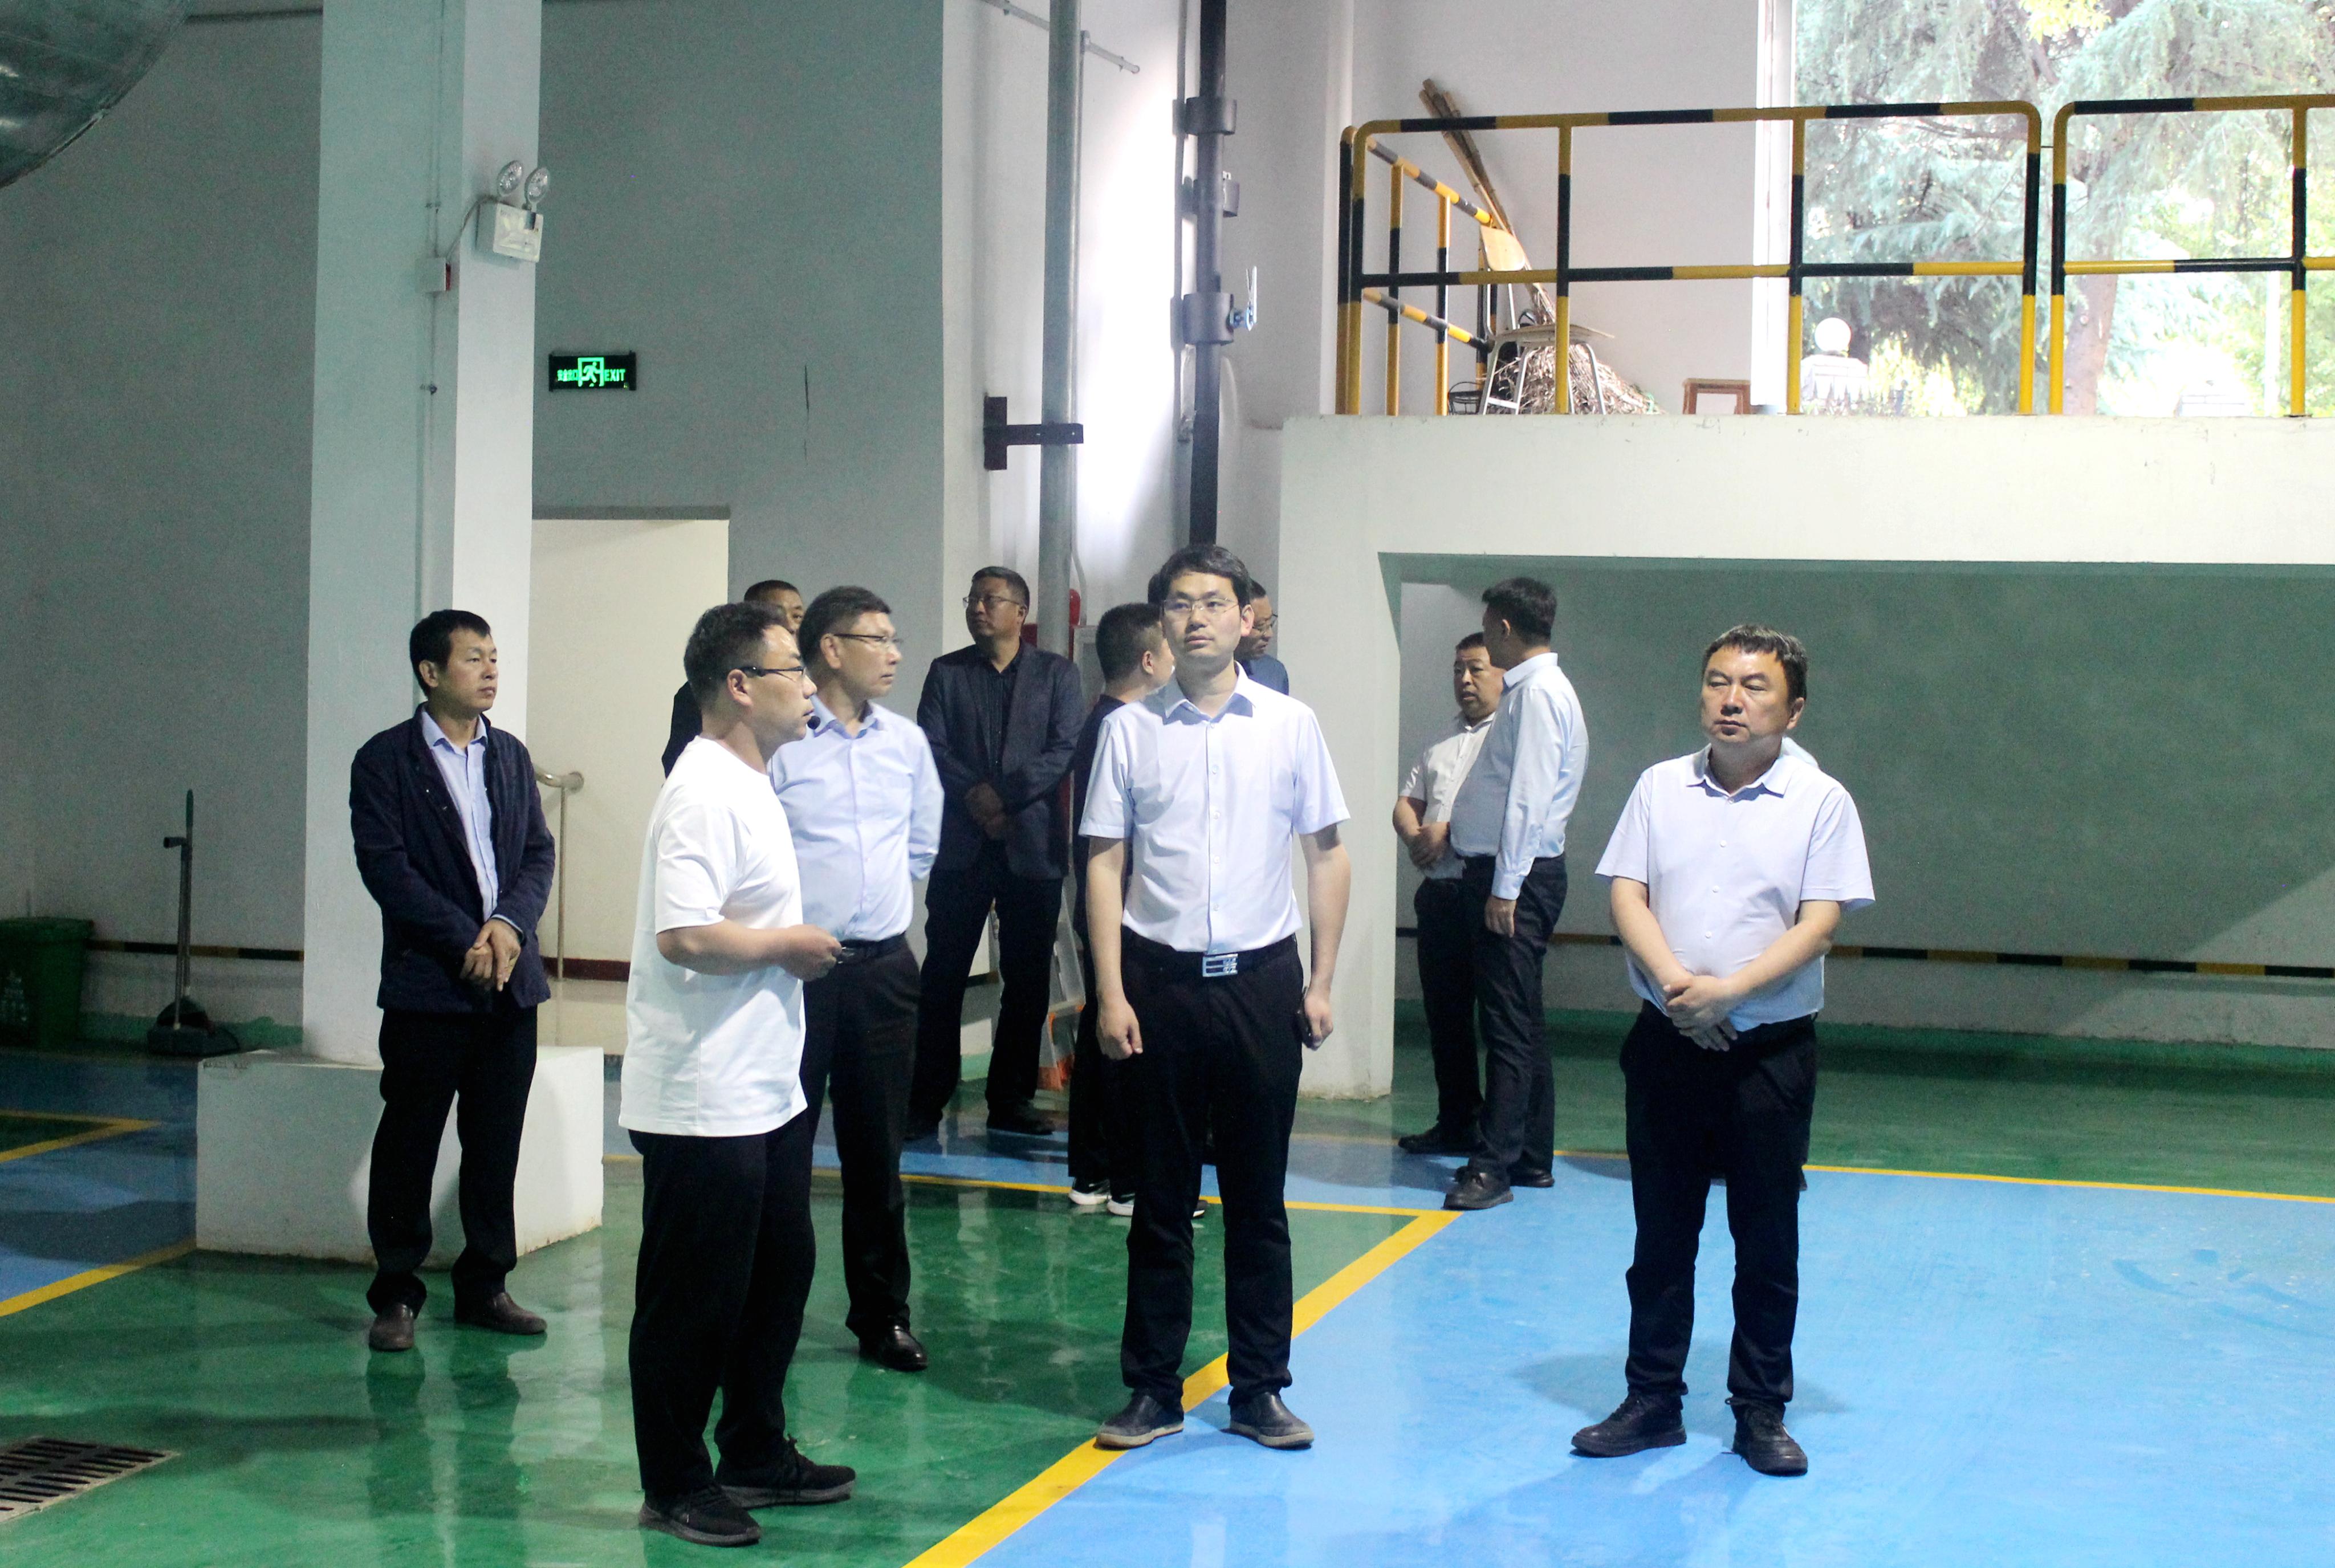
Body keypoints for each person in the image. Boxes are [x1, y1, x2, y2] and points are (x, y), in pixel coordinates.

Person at [1571, 625, 1871, 1479]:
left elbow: (1820, 922)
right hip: (1667, 1037)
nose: (1731, 700)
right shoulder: (1659, 786)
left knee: (1766, 1238)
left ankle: (1759, 1409)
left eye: (1754, 686)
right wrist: (1681, 989)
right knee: (1661, 1232)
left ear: (1793, 708)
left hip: (1767, 1050)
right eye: (1716, 682)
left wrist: (1729, 993)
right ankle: (1652, 1400)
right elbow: (1628, 894)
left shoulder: (1821, 801)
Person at [1082, 543, 1352, 1453]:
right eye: (1179, 604)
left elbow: (1328, 853)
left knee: (1257, 1198)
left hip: (1261, 985)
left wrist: (1321, 979)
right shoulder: (1129, 730)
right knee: (1160, 1199)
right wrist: (1110, 990)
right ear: (1161, 623)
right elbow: (1105, 861)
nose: (1196, 617)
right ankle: (1152, 1388)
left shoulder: (1290, 725)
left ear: (1245, 617)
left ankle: (1260, 1388)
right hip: (1157, 984)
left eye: (1213, 601)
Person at [620, 602, 855, 1547]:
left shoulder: (753, 780)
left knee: (777, 1269)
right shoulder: (703, 789)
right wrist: (785, 946)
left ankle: (753, 1446)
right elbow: (684, 934)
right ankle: (674, 1480)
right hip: (701, 1091)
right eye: (793, 668)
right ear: (740, 686)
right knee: (694, 1296)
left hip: (763, 1084)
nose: (810, 686)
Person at [351, 610, 557, 1354]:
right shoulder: (386, 761)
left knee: (495, 1142)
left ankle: (485, 1285)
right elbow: (387, 869)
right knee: (410, 1141)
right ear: (430, 672)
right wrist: (465, 937)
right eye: (474, 658)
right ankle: (397, 1292)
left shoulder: (510, 756)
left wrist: (507, 926)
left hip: (509, 983)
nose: (491, 669)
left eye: (494, 656)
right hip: (429, 986)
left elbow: (537, 853)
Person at [770, 587, 942, 1374]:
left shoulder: (905, 743)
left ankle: (883, 1315)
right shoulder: (783, 744)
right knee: (783, 1150)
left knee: (878, 1155)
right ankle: (768, 1313)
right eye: (878, 639)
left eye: (894, 637)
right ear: (831, 649)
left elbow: (923, 841)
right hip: (795, 973)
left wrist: (874, 903)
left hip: (882, 970)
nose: (894, 653)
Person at [909, 566, 1085, 1138]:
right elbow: (931, 746)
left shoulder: (1056, 674)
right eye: (973, 599)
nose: (978, 608)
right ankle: (925, 1100)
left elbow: (1064, 747)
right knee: (942, 976)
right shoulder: (947, 673)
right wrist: (976, 797)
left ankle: (1010, 1099)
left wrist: (1004, 795)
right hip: (963, 846)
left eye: (990, 599)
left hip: (1031, 846)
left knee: (1027, 981)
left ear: (1020, 611)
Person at [1441, 576, 1588, 1212]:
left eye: (1487, 627)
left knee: (1505, 1028)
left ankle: (1492, 1166)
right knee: (1521, 1020)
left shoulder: (1538, 695)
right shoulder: (1535, 691)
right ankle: (1529, 1155)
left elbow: (1528, 795)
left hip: (1513, 878)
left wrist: (1505, 888)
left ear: (1503, 627)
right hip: (1512, 874)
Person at [1064, 602, 1176, 1212]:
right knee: (1127, 1038)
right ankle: (1131, 1179)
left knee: (1101, 1031)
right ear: (1150, 660)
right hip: (1125, 911)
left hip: (1106, 906)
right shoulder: (1123, 728)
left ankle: (1094, 1170)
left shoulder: (1100, 720)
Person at [1390, 632, 1506, 1155]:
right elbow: (1406, 801)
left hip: (1487, 894)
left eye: (1476, 668)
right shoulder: (1440, 739)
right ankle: (1456, 1120)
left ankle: (1500, 1135)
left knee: (1499, 1022)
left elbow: (1513, 811)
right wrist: (1416, 835)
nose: (1465, 679)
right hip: (1438, 896)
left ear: (1501, 673)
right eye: (1458, 669)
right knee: (1446, 1018)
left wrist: (1448, 833)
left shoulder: (1509, 738)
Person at [664, 580, 805, 775]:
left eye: (797, 616)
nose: (790, 626)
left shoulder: (809, 691)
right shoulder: (702, 691)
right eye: (777, 615)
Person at [1236, 583, 1289, 694]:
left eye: (1270, 623)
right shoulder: (1201, 673)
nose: (1269, 634)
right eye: (1260, 626)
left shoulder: (1274, 673)